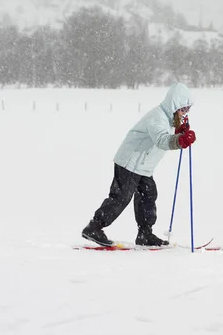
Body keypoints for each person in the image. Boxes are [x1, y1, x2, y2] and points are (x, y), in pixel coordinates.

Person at [81, 82, 197, 247]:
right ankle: (94, 227)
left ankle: (145, 234)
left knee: (148, 196)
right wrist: (179, 140)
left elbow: (167, 135)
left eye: (188, 109)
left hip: (143, 166)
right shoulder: (157, 117)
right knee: (121, 197)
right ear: (174, 105)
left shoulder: (168, 119)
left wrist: (178, 132)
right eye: (183, 109)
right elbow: (161, 140)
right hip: (130, 162)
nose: (186, 113)